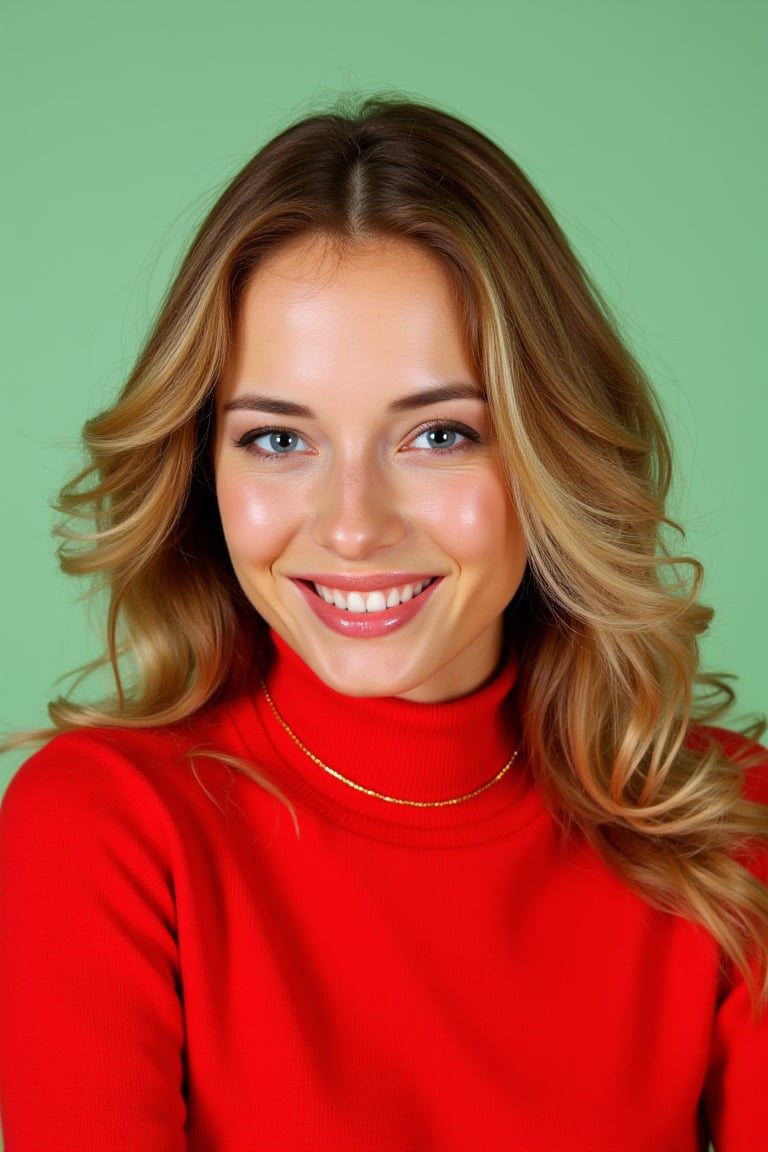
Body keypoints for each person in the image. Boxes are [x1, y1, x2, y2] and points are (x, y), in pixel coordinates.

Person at [0, 98, 766, 1152]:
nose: (352, 527)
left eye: (439, 433)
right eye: (277, 440)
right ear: (198, 467)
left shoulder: (729, 838)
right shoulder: (105, 829)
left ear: (550, 457)